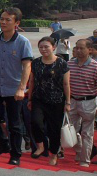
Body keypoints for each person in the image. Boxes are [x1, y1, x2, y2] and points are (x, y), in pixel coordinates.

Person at [0, 7, 33, 166]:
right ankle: (3, 144)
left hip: (14, 89)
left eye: (7, 20)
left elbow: (27, 66)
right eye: (1, 19)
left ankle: (15, 154)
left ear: (16, 23)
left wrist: (21, 88)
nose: (3, 22)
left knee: (14, 124)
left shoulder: (23, 42)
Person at [28, 37, 70, 165]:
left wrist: (68, 102)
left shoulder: (62, 63)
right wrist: (29, 98)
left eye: (46, 46)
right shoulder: (35, 63)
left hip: (56, 101)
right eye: (41, 47)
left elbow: (66, 83)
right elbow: (31, 81)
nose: (43, 49)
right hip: (39, 99)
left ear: (53, 47)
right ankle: (40, 146)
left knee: (54, 129)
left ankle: (53, 154)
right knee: (36, 122)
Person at [67, 39, 97, 168]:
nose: (78, 50)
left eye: (81, 48)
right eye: (76, 48)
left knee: (87, 133)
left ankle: (85, 160)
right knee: (71, 130)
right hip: (72, 100)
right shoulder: (69, 64)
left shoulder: (95, 66)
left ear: (89, 49)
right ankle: (79, 150)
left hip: (88, 101)